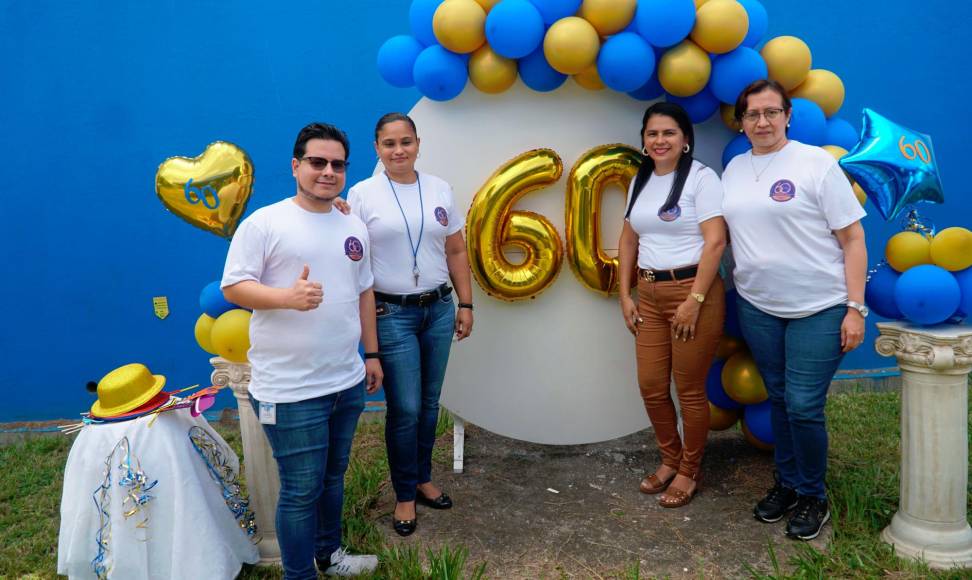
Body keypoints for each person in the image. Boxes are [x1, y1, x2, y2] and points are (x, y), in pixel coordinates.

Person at [221, 122, 381, 578]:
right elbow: (233, 286)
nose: (328, 171)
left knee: (332, 476)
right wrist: (286, 298)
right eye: (317, 162)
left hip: (345, 380)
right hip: (290, 390)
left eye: (337, 165)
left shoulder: (352, 223)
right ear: (296, 166)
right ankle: (300, 574)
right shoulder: (265, 223)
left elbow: (364, 290)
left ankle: (330, 556)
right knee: (300, 489)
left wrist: (371, 356)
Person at [722, 79, 867, 541]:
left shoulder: (816, 164)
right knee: (781, 398)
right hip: (759, 307)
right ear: (741, 123)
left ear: (788, 116)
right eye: (752, 114)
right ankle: (787, 484)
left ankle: (812, 495)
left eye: (771, 112)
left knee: (803, 405)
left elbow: (853, 239)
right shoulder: (734, 170)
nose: (762, 122)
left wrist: (855, 308)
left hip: (819, 306)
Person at [345, 112, 474, 537]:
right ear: (377, 148)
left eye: (406, 142)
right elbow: (351, 258)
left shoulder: (439, 189)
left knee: (430, 403)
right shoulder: (362, 195)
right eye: (389, 143)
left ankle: (422, 478)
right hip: (392, 314)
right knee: (405, 409)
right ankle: (404, 493)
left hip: (438, 309)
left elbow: (456, 250)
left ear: (418, 144)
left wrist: (466, 302)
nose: (398, 150)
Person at [617, 102, 727, 509]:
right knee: (650, 385)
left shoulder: (701, 178)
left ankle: (689, 471)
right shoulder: (640, 180)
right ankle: (669, 459)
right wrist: (625, 294)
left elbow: (716, 241)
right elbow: (628, 239)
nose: (660, 140)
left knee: (690, 390)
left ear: (685, 140)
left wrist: (694, 300)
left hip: (693, 293)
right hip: (648, 294)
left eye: (668, 133)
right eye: (652, 134)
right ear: (644, 141)